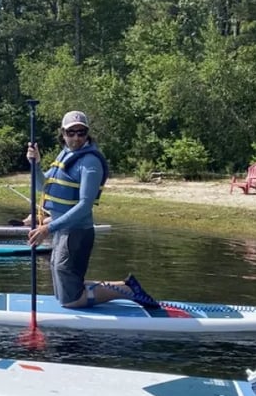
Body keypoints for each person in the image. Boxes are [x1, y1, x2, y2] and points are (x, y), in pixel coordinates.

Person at [26, 111, 160, 309]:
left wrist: (47, 228)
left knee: (70, 301)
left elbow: (85, 206)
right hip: (62, 230)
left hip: (76, 233)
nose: (76, 138)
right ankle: (127, 286)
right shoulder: (66, 154)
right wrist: (35, 165)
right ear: (63, 133)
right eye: (71, 132)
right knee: (61, 293)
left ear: (87, 133)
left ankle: (129, 291)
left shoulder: (90, 162)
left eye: (81, 132)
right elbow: (41, 186)